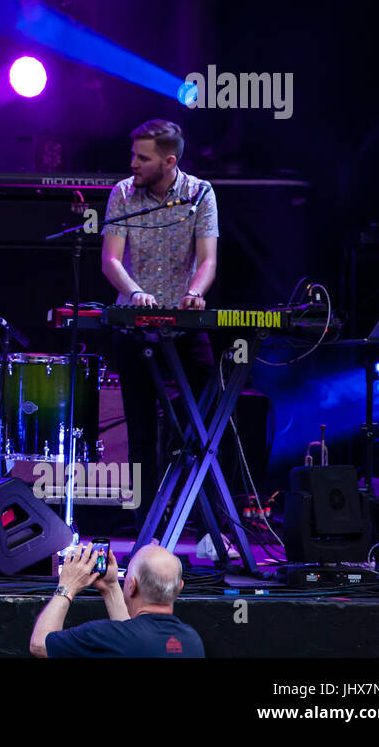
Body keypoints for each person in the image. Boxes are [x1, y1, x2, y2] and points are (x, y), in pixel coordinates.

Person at [100, 120, 218, 528]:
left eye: (142, 158)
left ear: (169, 161)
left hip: (184, 319)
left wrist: (196, 292)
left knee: (202, 420)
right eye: (133, 155)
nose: (133, 163)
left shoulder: (200, 193)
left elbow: (208, 260)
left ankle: (200, 519)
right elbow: (111, 259)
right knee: (141, 427)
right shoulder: (122, 194)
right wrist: (134, 293)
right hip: (134, 322)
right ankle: (144, 522)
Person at [29, 543, 205, 657]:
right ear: (179, 587)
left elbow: (40, 645)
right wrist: (111, 587)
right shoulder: (192, 641)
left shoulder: (105, 635)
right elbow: (132, 637)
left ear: (131, 586)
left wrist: (67, 587)